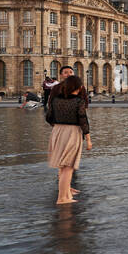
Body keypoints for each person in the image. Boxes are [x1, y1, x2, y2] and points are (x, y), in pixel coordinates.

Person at [45, 75, 91, 205]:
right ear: (78, 87)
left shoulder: (55, 100)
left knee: (62, 166)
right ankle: (62, 198)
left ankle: (65, 194)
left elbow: (48, 117)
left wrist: (58, 126)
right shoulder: (79, 101)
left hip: (57, 131)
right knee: (68, 166)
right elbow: (83, 120)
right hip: (72, 132)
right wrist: (88, 139)